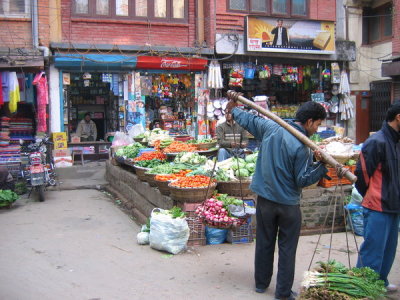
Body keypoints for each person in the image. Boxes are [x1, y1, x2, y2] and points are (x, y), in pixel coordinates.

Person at [225, 100, 328, 300]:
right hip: (288, 206)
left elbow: (247, 119)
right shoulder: (303, 146)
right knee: (287, 249)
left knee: (264, 242)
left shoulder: (271, 126)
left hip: (265, 201)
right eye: (318, 125)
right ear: (309, 121)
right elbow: (302, 179)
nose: (317, 129)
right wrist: (321, 166)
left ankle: (261, 285)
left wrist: (233, 108)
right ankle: (282, 293)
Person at [355, 101, 400, 293]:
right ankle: (364, 287)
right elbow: (361, 175)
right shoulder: (376, 142)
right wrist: (372, 195)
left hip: (394, 204)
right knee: (373, 250)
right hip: (377, 205)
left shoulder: (397, 141)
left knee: (389, 249)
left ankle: (380, 281)